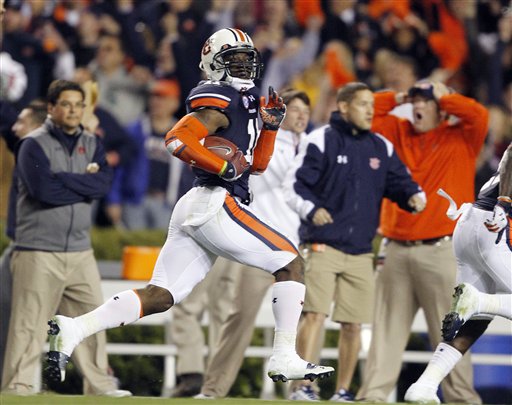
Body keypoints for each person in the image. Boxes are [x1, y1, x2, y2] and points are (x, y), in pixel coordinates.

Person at [46, 28, 334, 386]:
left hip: (200, 204)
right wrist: (223, 166)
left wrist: (271, 128)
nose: (244, 65)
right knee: (291, 263)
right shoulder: (220, 100)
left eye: (248, 58)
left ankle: (74, 328)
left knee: (161, 296)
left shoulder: (245, 103)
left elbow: (256, 166)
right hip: (215, 201)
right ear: (215, 63)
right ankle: (284, 355)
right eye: (235, 59)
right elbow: (176, 139)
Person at [284, 82, 426, 401]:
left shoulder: (380, 147)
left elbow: (399, 181)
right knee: (314, 316)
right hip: (322, 246)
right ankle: (303, 386)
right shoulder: (321, 139)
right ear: (344, 106)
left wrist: (414, 195)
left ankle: (344, 391)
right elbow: (293, 186)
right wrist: (311, 209)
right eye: (363, 104)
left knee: (353, 325)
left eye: (372, 105)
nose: (370, 111)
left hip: (362, 252)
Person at [356, 81, 488, 404]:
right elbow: (365, 111)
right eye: (414, 101)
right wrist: (399, 96)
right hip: (395, 250)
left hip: (443, 251)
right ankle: (372, 397)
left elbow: (479, 115)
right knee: (384, 334)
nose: (418, 106)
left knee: (451, 333)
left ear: (441, 108)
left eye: (426, 102)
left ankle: (462, 400)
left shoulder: (461, 137)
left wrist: (446, 95)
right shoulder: (397, 132)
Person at [1, 80, 131, 397]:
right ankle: (17, 388)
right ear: (52, 108)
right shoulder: (32, 143)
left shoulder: (92, 142)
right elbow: (42, 191)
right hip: (37, 251)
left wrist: (64, 180)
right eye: (66, 104)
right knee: (28, 325)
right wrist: (81, 184)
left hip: (80, 251)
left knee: (92, 322)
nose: (73, 110)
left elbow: (101, 186)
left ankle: (100, 385)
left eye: (78, 105)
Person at [195, 89, 312, 399]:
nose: (299, 116)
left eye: (305, 111)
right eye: (293, 109)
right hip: (262, 248)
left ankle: (300, 389)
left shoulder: (311, 147)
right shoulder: (266, 146)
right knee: (240, 319)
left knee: (301, 322)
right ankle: (212, 390)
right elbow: (269, 171)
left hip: (297, 249)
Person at [405, 142, 512, 403]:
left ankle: (424, 386)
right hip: (493, 226)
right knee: (477, 307)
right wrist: (505, 203)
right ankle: (478, 301)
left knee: (473, 323)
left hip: (471, 225)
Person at [0, 100, 47, 387]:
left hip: (42, 249)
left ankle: (102, 380)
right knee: (6, 315)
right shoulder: (24, 151)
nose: (14, 128)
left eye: (22, 123)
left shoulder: (45, 154)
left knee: (27, 321)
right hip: (18, 245)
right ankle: (10, 383)